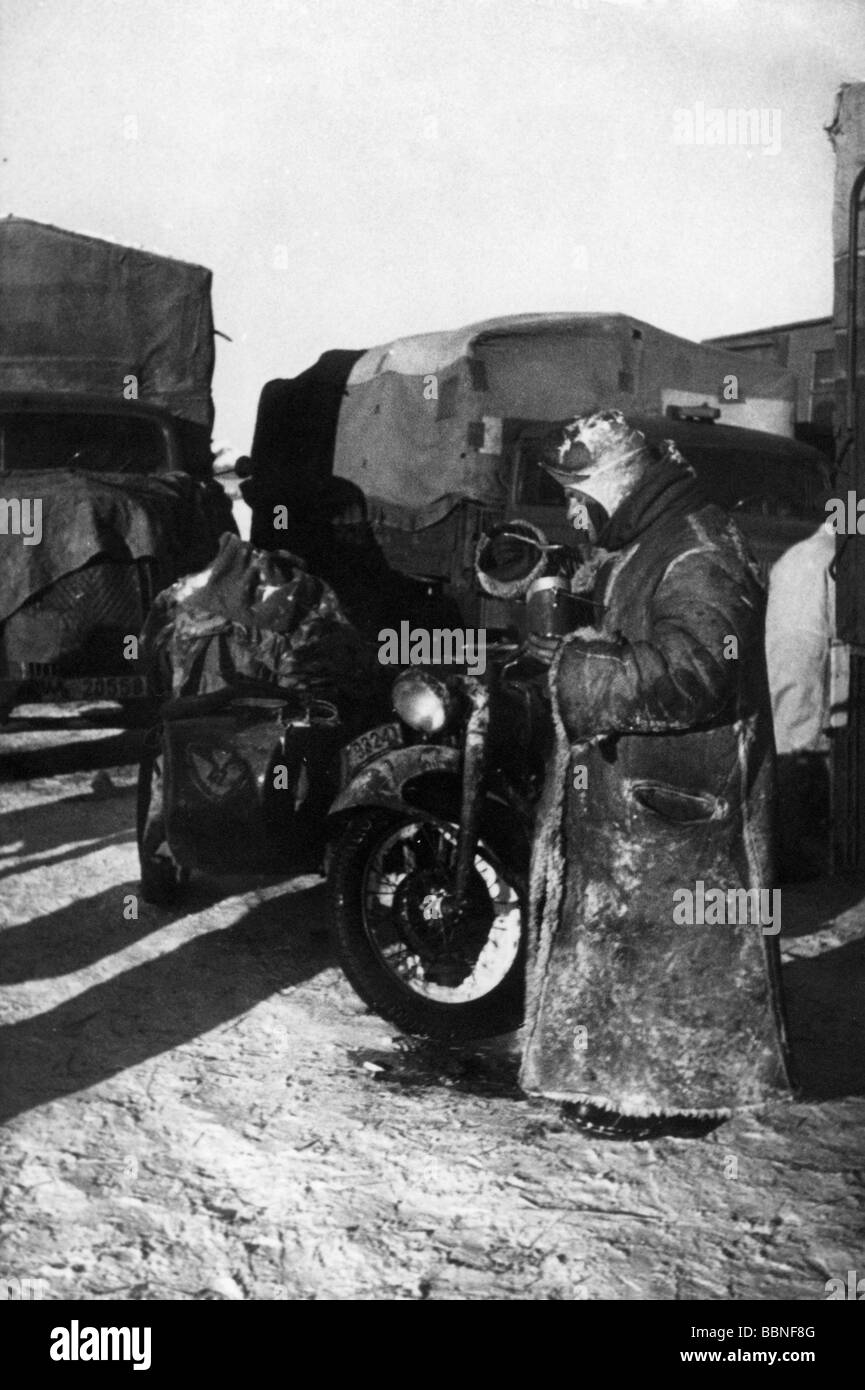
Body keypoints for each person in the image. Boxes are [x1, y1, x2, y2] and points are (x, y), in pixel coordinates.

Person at [520, 410, 792, 1139]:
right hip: (648, 792)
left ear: (618, 483)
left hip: (684, 800)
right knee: (633, 948)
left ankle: (676, 1096)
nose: (574, 511)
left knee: (679, 956)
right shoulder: (656, 537)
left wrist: (578, 668)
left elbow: (699, 669)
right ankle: (620, 1079)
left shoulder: (699, 549)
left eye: (580, 494)